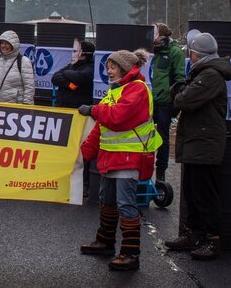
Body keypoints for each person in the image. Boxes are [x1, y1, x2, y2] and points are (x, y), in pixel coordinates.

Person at [77, 49, 161, 271]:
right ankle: (105, 242)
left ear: (124, 69)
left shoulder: (138, 89)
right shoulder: (115, 90)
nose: (108, 71)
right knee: (107, 201)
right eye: (107, 67)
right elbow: (101, 128)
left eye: (112, 67)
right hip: (111, 157)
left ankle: (131, 253)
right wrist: (83, 154)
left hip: (129, 158)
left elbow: (116, 118)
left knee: (125, 205)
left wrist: (93, 110)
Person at [164, 32, 231, 260]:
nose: (189, 56)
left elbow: (184, 100)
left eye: (191, 53)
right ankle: (192, 233)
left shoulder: (210, 75)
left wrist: (180, 91)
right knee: (192, 191)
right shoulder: (203, 73)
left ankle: (213, 239)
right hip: (197, 141)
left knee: (205, 193)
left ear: (197, 54)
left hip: (205, 142)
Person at [51, 38, 95, 195]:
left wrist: (67, 75)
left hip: (80, 116)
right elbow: (55, 77)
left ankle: (84, 183)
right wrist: (70, 84)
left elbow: (81, 78)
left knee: (81, 150)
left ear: (84, 54)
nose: (72, 54)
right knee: (66, 149)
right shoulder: (72, 66)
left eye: (76, 51)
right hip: (65, 114)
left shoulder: (90, 68)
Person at [149, 23, 185, 182]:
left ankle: (161, 172)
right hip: (147, 101)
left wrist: (173, 101)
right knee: (143, 136)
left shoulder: (174, 52)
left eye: (154, 34)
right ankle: (143, 169)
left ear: (162, 36)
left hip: (164, 102)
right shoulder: (148, 51)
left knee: (162, 138)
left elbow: (179, 78)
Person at [0, 30, 34, 105]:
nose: (3, 46)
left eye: (7, 43)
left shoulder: (24, 61)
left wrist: (27, 106)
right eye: (2, 43)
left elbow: (29, 87)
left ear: (14, 45)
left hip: (17, 107)